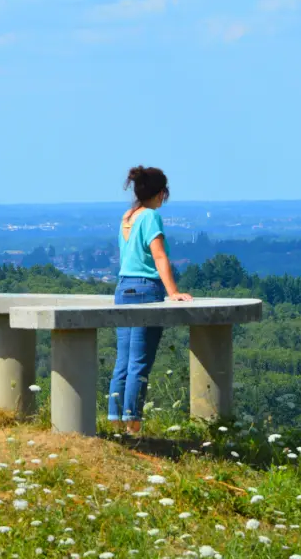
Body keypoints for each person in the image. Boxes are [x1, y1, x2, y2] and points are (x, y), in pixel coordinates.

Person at [108, 166, 193, 433]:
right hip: (146, 290)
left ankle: (115, 420)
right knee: (140, 362)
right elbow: (158, 257)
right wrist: (173, 292)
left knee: (123, 360)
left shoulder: (128, 216)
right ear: (160, 193)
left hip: (123, 289)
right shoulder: (151, 217)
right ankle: (133, 424)